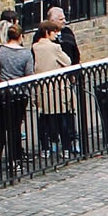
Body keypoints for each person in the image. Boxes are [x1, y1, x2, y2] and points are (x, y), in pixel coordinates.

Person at [0, 23, 34, 172]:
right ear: (20, 36)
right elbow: (29, 74)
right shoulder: (26, 53)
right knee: (14, 128)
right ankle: (14, 160)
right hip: (18, 94)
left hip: (0, 93)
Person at [32, 20, 74, 156]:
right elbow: (67, 62)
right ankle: (66, 148)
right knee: (62, 119)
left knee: (44, 119)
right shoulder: (55, 48)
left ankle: (45, 148)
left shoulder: (35, 47)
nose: (56, 35)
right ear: (47, 32)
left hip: (42, 88)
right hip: (56, 88)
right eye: (54, 32)